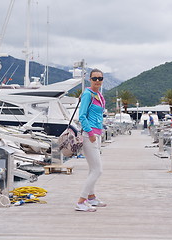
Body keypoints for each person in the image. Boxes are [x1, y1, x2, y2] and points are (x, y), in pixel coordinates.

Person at [75, 68, 107, 212]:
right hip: (90, 135)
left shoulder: (98, 95)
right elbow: (81, 116)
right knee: (98, 170)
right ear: (90, 79)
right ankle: (81, 201)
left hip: (97, 134)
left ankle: (92, 198)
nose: (97, 81)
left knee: (92, 169)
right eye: (94, 78)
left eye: (100, 78)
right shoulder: (87, 94)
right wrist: (91, 133)